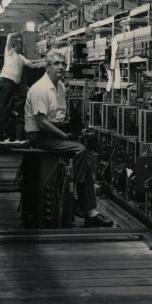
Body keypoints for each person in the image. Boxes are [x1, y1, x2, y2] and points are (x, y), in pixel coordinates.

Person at [25, 49, 114, 228]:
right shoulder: (41, 88)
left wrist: (72, 129)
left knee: (85, 158)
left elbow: (57, 117)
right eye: (56, 64)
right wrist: (65, 136)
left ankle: (88, 209)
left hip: (54, 131)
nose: (61, 67)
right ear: (47, 67)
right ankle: (79, 199)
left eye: (64, 64)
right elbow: (42, 122)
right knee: (79, 150)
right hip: (39, 136)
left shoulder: (61, 87)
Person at [0, 33, 44, 142]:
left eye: (22, 46)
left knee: (16, 104)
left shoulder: (21, 57)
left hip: (13, 85)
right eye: (19, 45)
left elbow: (32, 65)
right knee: (5, 109)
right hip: (5, 82)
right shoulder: (9, 52)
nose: (21, 47)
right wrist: (20, 33)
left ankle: (15, 131)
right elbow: (8, 36)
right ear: (14, 45)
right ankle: (3, 135)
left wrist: (46, 62)